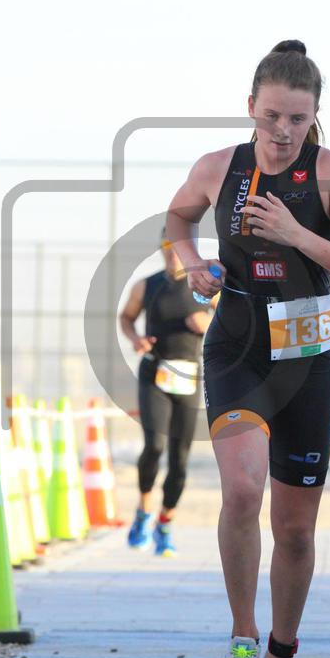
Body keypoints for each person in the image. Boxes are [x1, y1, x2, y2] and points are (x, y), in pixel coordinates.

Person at [166, 39, 330, 658]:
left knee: (293, 528)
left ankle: (281, 652)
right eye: (271, 116)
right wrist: (192, 264)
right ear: (250, 107)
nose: (283, 131)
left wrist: (297, 234)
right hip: (237, 349)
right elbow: (177, 221)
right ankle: (243, 637)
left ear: (314, 115)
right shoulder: (218, 167)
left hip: (307, 357)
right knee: (241, 491)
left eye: (298, 118)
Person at [119, 228, 216, 557]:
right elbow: (126, 318)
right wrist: (135, 339)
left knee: (180, 458)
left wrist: (209, 323)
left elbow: (234, 318)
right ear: (161, 248)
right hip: (155, 373)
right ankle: (144, 511)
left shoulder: (205, 286)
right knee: (154, 446)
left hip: (188, 375)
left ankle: (165, 523)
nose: (173, 251)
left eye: (179, 246)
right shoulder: (146, 285)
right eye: (167, 245)